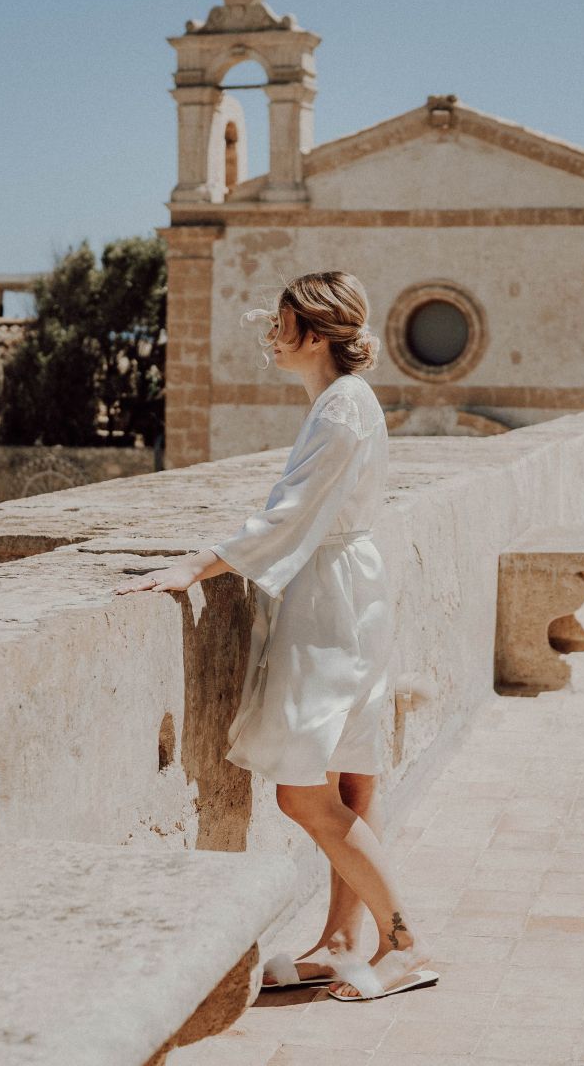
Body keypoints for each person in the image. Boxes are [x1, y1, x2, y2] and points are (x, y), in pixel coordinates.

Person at [114, 270, 435, 1003]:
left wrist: (198, 562)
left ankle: (405, 942)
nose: (270, 337)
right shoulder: (343, 402)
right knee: (351, 774)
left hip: (334, 603)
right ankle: (343, 941)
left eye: (282, 325)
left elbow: (290, 515)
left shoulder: (340, 410)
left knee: (301, 790)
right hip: (350, 588)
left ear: (314, 335)